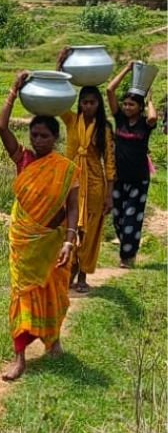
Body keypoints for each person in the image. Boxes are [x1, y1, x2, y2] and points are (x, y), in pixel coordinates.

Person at [0, 72, 79, 382]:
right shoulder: (24, 160)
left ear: (55, 138)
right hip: (25, 241)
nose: (38, 141)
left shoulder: (67, 169)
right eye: (35, 135)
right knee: (21, 294)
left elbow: (72, 208)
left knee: (54, 290)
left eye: (45, 136)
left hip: (54, 241)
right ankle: (19, 357)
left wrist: (70, 240)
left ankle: (53, 341)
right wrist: (13, 90)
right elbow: (1, 126)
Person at [56, 47, 116, 292]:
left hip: (93, 185)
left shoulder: (105, 129)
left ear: (98, 105)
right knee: (68, 226)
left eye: (92, 102)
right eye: (84, 102)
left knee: (89, 232)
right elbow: (57, 99)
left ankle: (82, 276)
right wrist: (59, 65)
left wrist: (110, 194)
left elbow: (110, 163)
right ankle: (67, 273)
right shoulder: (71, 121)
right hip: (71, 181)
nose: (87, 106)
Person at [107, 62, 158, 268]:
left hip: (138, 180)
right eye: (126, 104)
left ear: (139, 107)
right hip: (118, 178)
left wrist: (149, 100)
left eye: (132, 105)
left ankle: (127, 258)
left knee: (131, 220)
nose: (127, 107)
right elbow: (110, 90)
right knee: (118, 219)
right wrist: (127, 69)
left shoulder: (145, 126)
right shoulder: (119, 120)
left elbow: (153, 116)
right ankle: (127, 250)